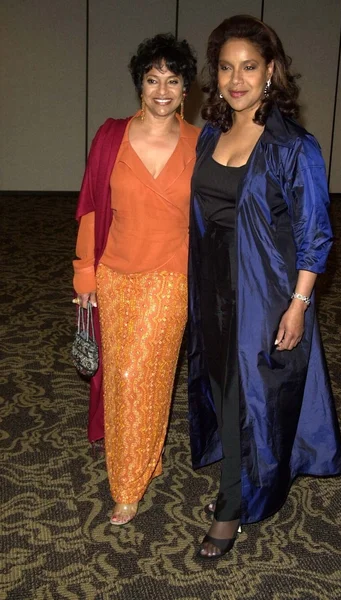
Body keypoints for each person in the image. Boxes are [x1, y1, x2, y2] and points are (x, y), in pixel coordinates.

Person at [188, 15, 341, 559]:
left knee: (246, 398)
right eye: (227, 67)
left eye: (249, 67)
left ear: (271, 71)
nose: (237, 79)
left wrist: (298, 304)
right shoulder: (212, 134)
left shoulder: (293, 146)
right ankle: (244, 477)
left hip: (262, 290)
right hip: (210, 283)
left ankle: (233, 506)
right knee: (220, 385)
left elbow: (315, 233)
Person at [73, 33, 199, 525]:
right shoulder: (110, 136)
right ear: (139, 86)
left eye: (172, 80)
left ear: (185, 87)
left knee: (140, 375)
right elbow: (90, 211)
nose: (162, 89)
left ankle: (126, 485)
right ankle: (148, 455)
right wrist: (84, 276)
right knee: (124, 378)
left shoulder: (201, 141)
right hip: (114, 274)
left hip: (172, 274)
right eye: (152, 79)